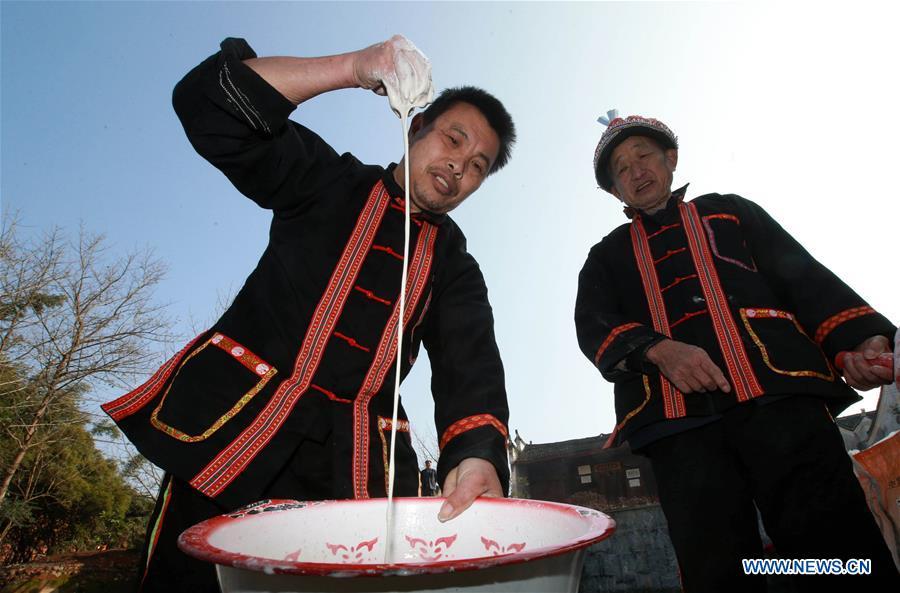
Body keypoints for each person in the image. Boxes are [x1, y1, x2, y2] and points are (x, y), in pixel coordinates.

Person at [102, 36, 514, 593]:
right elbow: (208, 105)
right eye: (453, 139)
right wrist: (354, 67)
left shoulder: (455, 265)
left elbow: (472, 368)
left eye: (477, 166)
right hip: (236, 438)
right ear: (416, 127)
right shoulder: (327, 180)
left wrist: (477, 456)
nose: (458, 165)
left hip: (351, 478)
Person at [574, 113, 899, 592]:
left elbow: (801, 277)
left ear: (671, 158)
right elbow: (593, 323)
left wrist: (856, 340)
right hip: (678, 425)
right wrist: (658, 350)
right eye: (621, 169)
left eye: (643, 156)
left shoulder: (729, 211)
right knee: (717, 568)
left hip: (780, 397)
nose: (635, 171)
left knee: (835, 544)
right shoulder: (606, 255)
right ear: (614, 192)